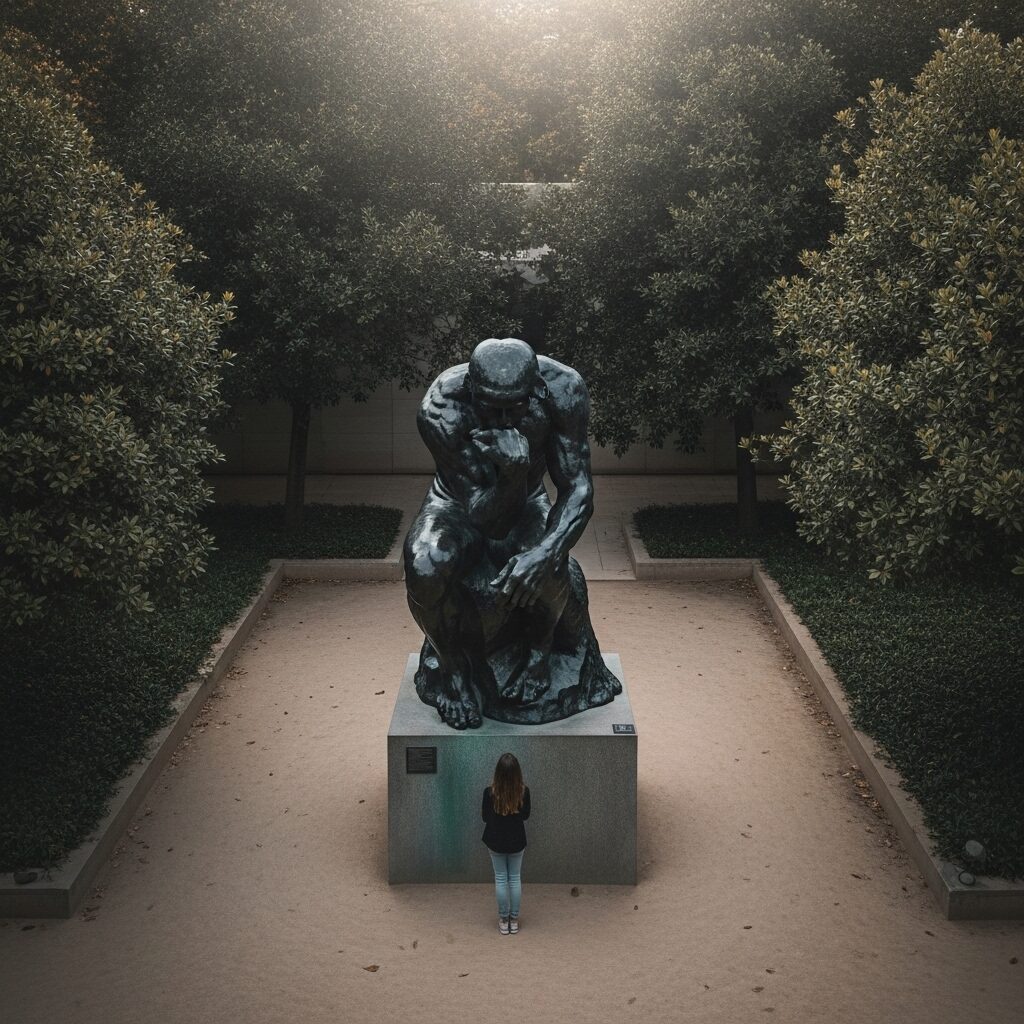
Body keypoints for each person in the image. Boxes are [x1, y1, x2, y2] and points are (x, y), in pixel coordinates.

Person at [404, 337, 621, 729]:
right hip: (456, 503)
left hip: (529, 499)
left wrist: (546, 553)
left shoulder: (564, 389)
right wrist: (513, 473)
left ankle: (539, 657)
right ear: (470, 389)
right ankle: (454, 671)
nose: (504, 420)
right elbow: (488, 522)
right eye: (491, 407)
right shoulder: (441, 408)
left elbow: (578, 489)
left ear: (536, 391)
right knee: (424, 565)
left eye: (515, 407)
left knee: (550, 551)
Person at [482, 752, 530, 934]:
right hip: (517, 840)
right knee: (515, 878)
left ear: (497, 772)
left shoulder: (489, 793)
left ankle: (503, 920)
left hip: (495, 840)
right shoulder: (524, 792)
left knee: (501, 878)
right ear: (518, 772)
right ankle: (514, 920)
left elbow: (485, 817)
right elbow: (525, 815)